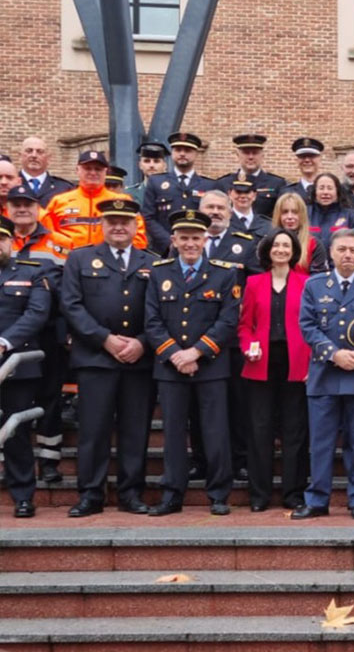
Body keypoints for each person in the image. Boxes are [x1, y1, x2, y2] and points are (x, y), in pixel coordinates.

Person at [58, 199, 156, 516]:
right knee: (93, 430)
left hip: (138, 361)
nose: (118, 226)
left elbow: (160, 311)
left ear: (135, 226)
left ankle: (131, 492)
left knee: (135, 429)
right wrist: (105, 340)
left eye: (125, 221)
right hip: (95, 359)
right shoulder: (80, 258)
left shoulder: (152, 263)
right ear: (102, 224)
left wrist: (142, 343)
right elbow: (71, 306)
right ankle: (90, 494)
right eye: (112, 220)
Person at [144, 209, 242, 516]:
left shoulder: (224, 273)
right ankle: (172, 494)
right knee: (173, 433)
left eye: (196, 238)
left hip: (211, 365)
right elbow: (152, 320)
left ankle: (218, 494)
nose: (190, 243)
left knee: (215, 431)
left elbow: (228, 320)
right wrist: (177, 354)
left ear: (205, 240)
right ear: (173, 240)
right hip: (171, 367)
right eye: (184, 237)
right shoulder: (159, 272)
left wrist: (196, 353)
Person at [293, 229, 354, 520]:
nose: (347, 255)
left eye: (352, 250)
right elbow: (308, 325)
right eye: (342, 250)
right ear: (332, 254)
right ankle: (317, 499)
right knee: (321, 442)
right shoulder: (315, 285)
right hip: (325, 373)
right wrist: (334, 353)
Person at [237, 228, 311, 512]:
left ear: (294, 251)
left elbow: (311, 324)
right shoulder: (254, 283)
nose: (281, 249)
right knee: (259, 430)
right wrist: (247, 347)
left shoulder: (306, 283)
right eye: (276, 245)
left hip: (296, 363)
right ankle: (260, 494)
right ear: (268, 250)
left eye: (286, 245)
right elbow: (244, 325)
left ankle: (293, 492)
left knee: (295, 430)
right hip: (261, 363)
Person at [0, 215, 52, 518]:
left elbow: (37, 313)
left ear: (11, 241)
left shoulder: (32, 271)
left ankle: (22, 496)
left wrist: (4, 342)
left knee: (16, 432)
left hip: (16, 366)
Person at [42, 150, 148, 251]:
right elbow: (46, 235)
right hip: (67, 263)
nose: (93, 172)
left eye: (98, 169)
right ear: (77, 170)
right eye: (87, 168)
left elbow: (138, 238)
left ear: (105, 172)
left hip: (110, 266)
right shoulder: (59, 202)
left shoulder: (122, 201)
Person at [139, 132, 217, 254]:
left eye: (187, 150)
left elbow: (212, 218)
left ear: (196, 153)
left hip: (198, 249)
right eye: (178, 150)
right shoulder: (156, 181)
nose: (182, 154)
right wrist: (170, 242)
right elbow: (148, 217)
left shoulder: (209, 185)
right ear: (172, 153)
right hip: (164, 250)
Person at [215, 134, 287, 218]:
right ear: (237, 154)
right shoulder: (223, 183)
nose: (250, 157)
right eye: (246, 152)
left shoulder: (276, 184)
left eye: (255, 153)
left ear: (262, 155)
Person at [272, 191, 328, 273]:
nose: (290, 217)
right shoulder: (268, 243)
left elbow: (317, 280)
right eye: (285, 212)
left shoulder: (314, 244)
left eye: (295, 212)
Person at [18, 136, 74, 207]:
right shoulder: (9, 185)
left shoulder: (65, 188)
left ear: (48, 158)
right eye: (29, 151)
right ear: (20, 156)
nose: (34, 155)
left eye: (40, 152)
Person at [307, 172, 354, 247]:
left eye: (330, 188)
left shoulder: (350, 215)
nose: (325, 192)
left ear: (337, 192)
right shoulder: (305, 213)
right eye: (321, 188)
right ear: (315, 192)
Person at [126, 141, 168, 207]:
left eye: (156, 161)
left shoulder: (173, 192)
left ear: (165, 165)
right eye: (147, 161)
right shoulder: (128, 194)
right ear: (140, 165)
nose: (151, 165)